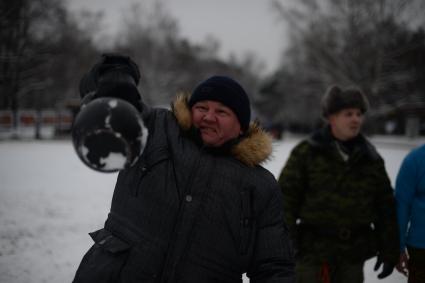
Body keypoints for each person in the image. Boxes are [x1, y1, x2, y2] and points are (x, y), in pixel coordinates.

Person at [72, 53, 295, 283]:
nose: (209, 117)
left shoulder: (260, 185)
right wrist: (116, 72)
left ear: (241, 127)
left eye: (221, 112)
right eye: (202, 107)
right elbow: (104, 103)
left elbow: (274, 266)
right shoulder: (156, 128)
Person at [277, 85, 399, 283]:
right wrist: (286, 246)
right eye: (348, 113)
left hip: (353, 257)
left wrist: (389, 250)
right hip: (311, 255)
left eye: (359, 114)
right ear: (331, 117)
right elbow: (284, 202)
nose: (355, 119)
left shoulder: (371, 158)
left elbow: (385, 206)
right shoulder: (307, 152)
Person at [395, 144, 425, 282]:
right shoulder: (415, 160)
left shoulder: (414, 159)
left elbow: (401, 207)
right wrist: (398, 248)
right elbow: (401, 207)